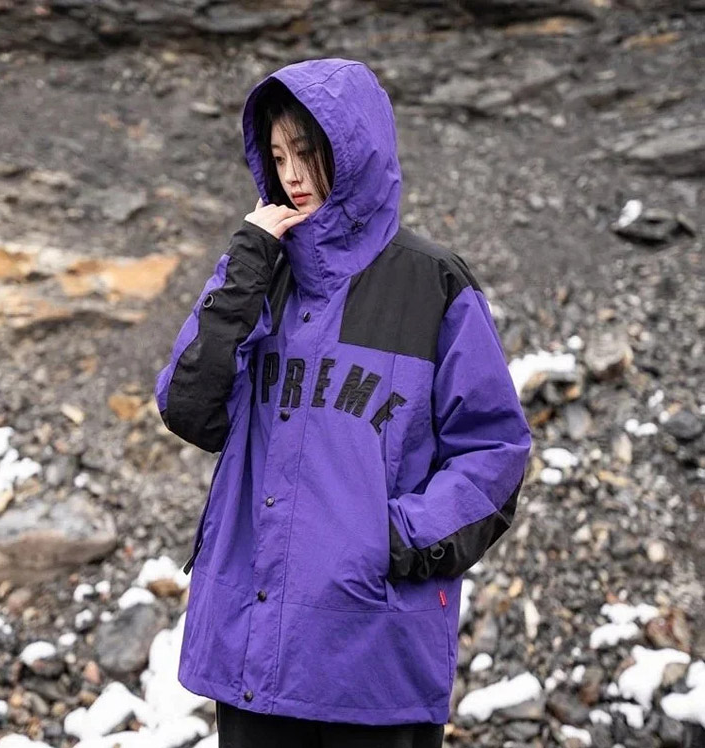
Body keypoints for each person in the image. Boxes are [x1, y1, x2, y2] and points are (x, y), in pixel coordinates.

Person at [154, 58, 532, 748]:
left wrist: (391, 538)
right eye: (277, 158)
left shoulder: (432, 285)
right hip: (253, 650)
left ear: (353, 149)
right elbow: (189, 407)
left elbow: (494, 451)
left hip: (372, 659)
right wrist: (244, 266)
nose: (292, 176)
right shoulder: (258, 277)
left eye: (307, 152)